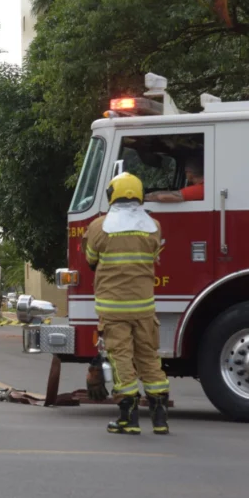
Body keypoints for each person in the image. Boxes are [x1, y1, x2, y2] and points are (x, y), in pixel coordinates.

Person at [84, 172, 169, 435]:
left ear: (112, 195)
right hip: (144, 307)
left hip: (113, 308)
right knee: (149, 358)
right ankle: (160, 419)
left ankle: (128, 418)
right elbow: (155, 256)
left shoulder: (100, 227)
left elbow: (90, 259)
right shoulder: (154, 226)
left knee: (122, 359)